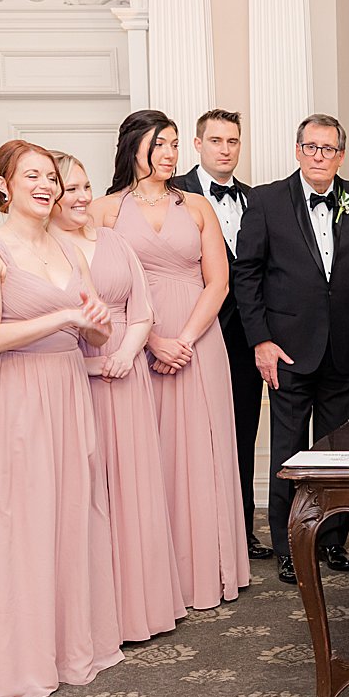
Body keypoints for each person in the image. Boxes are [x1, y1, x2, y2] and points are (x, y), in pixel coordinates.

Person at [0, 140, 122, 697]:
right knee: (21, 519)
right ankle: (20, 659)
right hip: (16, 393)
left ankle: (68, 646)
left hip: (67, 386)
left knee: (71, 513)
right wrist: (66, 315)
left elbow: (95, 331)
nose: (46, 185)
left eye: (51, 176)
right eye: (32, 175)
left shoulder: (67, 248)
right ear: (2, 184)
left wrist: (98, 326)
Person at [89, 109, 250, 610]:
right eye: (160, 144)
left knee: (203, 452)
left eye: (175, 144)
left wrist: (184, 338)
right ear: (133, 146)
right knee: (147, 458)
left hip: (199, 342)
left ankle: (208, 570)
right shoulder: (103, 210)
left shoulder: (198, 207)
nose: (170, 154)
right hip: (136, 342)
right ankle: (151, 581)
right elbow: (98, 286)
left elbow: (219, 282)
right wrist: (153, 340)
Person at [234, 113, 349, 585]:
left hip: (344, 346)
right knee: (289, 450)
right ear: (297, 150)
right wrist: (261, 340)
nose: (320, 156)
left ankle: (334, 540)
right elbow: (247, 275)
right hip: (287, 348)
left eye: (329, 149)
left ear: (341, 155)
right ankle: (287, 544)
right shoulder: (264, 200)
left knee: (338, 451)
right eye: (311, 147)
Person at [50, 150, 186, 643]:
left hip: (126, 377)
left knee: (133, 489)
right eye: (69, 188)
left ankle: (139, 608)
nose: (81, 196)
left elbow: (142, 308)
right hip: (74, 380)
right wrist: (90, 363)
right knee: (87, 492)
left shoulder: (115, 241)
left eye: (85, 186)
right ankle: (94, 614)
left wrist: (128, 353)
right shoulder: (43, 249)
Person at [174, 109, 272, 561]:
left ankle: (239, 530)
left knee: (242, 430)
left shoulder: (258, 200)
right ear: (198, 145)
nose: (225, 149)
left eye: (233, 141)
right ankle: (188, 533)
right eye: (216, 140)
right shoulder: (172, 193)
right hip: (189, 329)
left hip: (243, 336)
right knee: (189, 432)